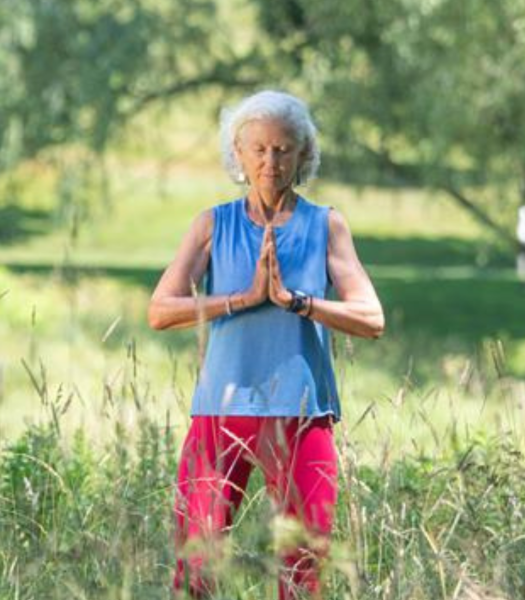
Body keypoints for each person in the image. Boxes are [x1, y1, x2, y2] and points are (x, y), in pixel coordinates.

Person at [148, 90, 384, 599]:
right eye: (258, 149)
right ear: (238, 153)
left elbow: (372, 318)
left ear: (304, 155)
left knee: (302, 571)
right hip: (219, 412)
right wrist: (241, 299)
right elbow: (160, 310)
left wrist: (297, 302)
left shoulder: (327, 226)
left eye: (282, 149)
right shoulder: (213, 224)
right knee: (196, 566)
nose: (270, 162)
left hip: (302, 417)